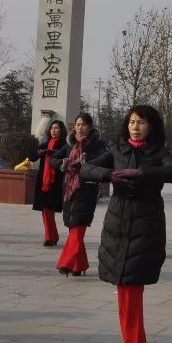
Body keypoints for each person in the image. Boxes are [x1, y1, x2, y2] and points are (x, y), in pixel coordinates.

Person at [80, 105, 172, 343]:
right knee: (124, 285)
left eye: (142, 123)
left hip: (146, 221)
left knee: (131, 284)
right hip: (118, 220)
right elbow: (86, 169)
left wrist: (142, 173)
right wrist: (109, 174)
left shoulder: (158, 153)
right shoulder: (116, 151)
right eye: (132, 122)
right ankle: (136, 342)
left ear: (152, 127)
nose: (135, 127)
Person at [58, 112, 106, 275]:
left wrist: (85, 164)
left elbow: (104, 162)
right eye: (77, 125)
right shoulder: (69, 144)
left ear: (90, 127)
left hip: (87, 189)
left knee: (78, 225)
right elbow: (53, 159)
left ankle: (66, 262)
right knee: (73, 227)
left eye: (83, 125)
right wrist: (63, 163)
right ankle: (79, 266)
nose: (80, 128)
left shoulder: (98, 145)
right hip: (70, 190)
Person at [33, 118, 68, 248]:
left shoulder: (64, 144)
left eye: (56, 128)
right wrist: (37, 147)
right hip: (43, 180)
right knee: (45, 210)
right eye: (52, 128)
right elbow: (32, 156)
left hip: (56, 181)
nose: (53, 130)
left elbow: (64, 156)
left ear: (61, 130)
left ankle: (50, 237)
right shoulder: (45, 143)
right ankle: (52, 236)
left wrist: (50, 152)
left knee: (48, 210)